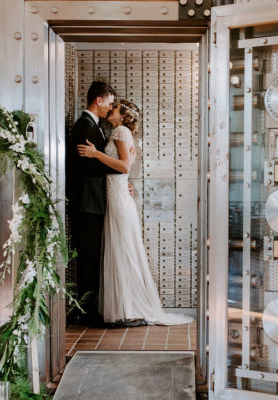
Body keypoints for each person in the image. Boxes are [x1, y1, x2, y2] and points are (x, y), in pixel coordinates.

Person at [77, 99, 193, 326]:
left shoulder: (121, 131)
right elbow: (123, 167)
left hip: (118, 198)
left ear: (123, 115)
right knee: (120, 249)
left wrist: (95, 154)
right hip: (115, 193)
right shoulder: (119, 132)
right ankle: (125, 306)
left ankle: (128, 307)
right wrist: (125, 180)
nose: (111, 109)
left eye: (115, 107)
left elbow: (123, 166)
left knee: (123, 249)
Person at [67, 81, 133, 326]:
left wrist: (121, 178)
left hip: (96, 200)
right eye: (109, 102)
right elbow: (89, 165)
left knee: (93, 256)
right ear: (99, 100)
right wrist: (119, 175)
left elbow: (106, 162)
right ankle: (85, 311)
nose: (110, 107)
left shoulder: (96, 126)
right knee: (88, 257)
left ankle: (90, 308)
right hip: (87, 202)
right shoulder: (84, 125)